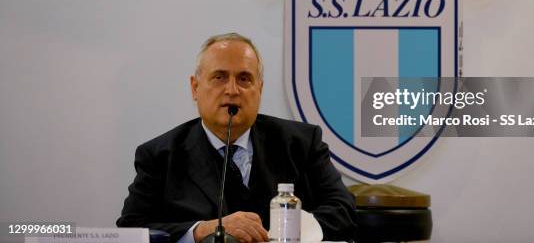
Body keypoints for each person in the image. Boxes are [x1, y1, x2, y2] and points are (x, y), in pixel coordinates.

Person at [117, 33, 357, 243]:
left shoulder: (301, 143)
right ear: (195, 88)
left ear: (259, 89)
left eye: (244, 79)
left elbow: (342, 210)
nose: (232, 90)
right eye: (219, 77)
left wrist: (283, 233)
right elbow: (131, 229)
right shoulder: (160, 155)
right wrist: (203, 230)